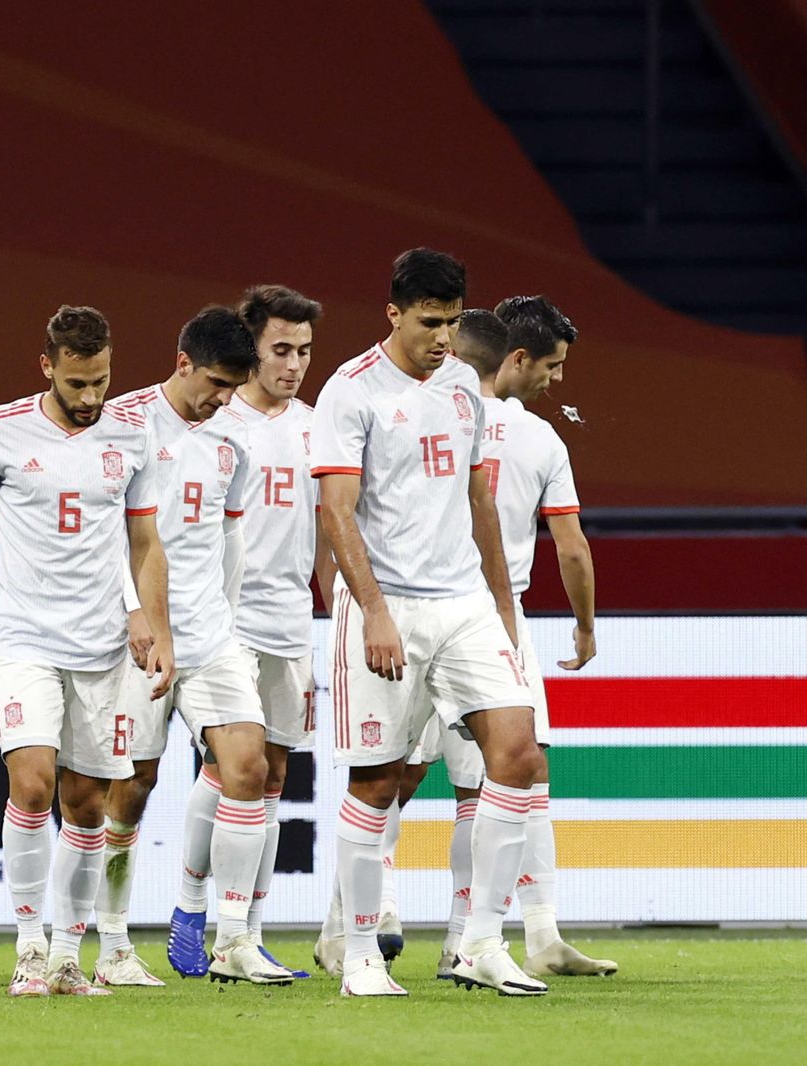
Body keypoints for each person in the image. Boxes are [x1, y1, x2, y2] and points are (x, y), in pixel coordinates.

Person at [311, 248, 546, 997]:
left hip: (464, 603)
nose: (442, 337)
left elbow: (481, 501)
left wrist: (504, 607)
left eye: (450, 322)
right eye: (428, 322)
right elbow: (337, 512)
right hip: (388, 606)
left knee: (518, 758)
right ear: (393, 313)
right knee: (379, 780)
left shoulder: (465, 391)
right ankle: (357, 955)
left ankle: (480, 943)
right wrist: (374, 610)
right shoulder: (350, 392)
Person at [0, 305, 172, 997]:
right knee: (33, 782)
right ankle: (30, 949)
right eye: (77, 383)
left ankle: (71, 959)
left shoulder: (131, 434)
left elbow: (145, 541)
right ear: (47, 367)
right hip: (25, 635)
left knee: (88, 801)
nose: (91, 397)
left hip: (102, 644)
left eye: (100, 380)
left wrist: (149, 622)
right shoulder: (0, 431)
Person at [395, 301, 613, 979]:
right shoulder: (541, 439)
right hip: (490, 619)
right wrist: (583, 624)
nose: (554, 380)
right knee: (508, 776)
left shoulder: (410, 414)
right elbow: (572, 549)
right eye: (551, 366)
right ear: (515, 358)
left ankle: (353, 928)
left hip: (407, 610)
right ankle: (488, 937)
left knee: (386, 778)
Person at [94, 306, 286, 987]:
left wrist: (225, 620)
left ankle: (232, 938)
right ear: (181, 361)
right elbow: (106, 533)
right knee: (131, 788)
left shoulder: (233, 439)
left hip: (208, 638)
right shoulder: (120, 423)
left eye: (235, 387)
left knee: (249, 766)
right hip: (132, 642)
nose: (222, 399)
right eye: (214, 383)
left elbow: (230, 538)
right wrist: (133, 612)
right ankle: (114, 946)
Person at [165, 286, 333, 981]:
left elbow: (328, 526)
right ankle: (191, 910)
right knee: (233, 767)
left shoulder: (319, 426)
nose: (293, 365)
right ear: (250, 348)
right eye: (281, 350)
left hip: (290, 620)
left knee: (274, 773)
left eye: (304, 352)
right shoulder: (212, 421)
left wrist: (325, 615)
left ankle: (248, 932)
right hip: (221, 619)